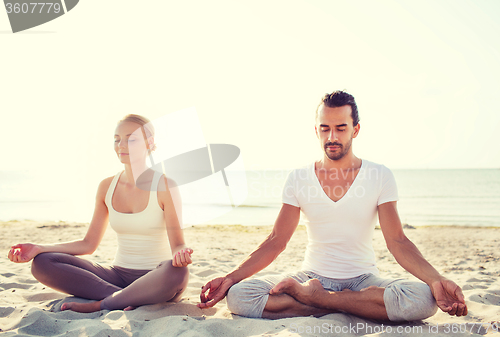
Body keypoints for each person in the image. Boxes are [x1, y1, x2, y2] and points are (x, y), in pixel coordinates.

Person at [198, 91, 468, 321]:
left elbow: (397, 241)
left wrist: (435, 280)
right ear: (316, 130)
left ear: (356, 129)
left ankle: (320, 301)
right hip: (311, 275)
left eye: (341, 128)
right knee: (240, 296)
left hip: (363, 280)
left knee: (423, 299)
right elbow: (276, 240)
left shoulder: (379, 175)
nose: (332, 137)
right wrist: (231, 278)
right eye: (325, 128)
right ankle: (344, 303)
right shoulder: (299, 178)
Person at [8, 114, 192, 313]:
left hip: (156, 277)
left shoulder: (165, 185)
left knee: (177, 271)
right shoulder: (107, 187)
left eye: (131, 139)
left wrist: (180, 254)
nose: (121, 144)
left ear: (149, 143)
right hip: (116, 276)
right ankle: (122, 298)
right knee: (43, 262)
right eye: (117, 139)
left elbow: (178, 245)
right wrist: (38, 248)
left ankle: (103, 304)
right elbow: (88, 244)